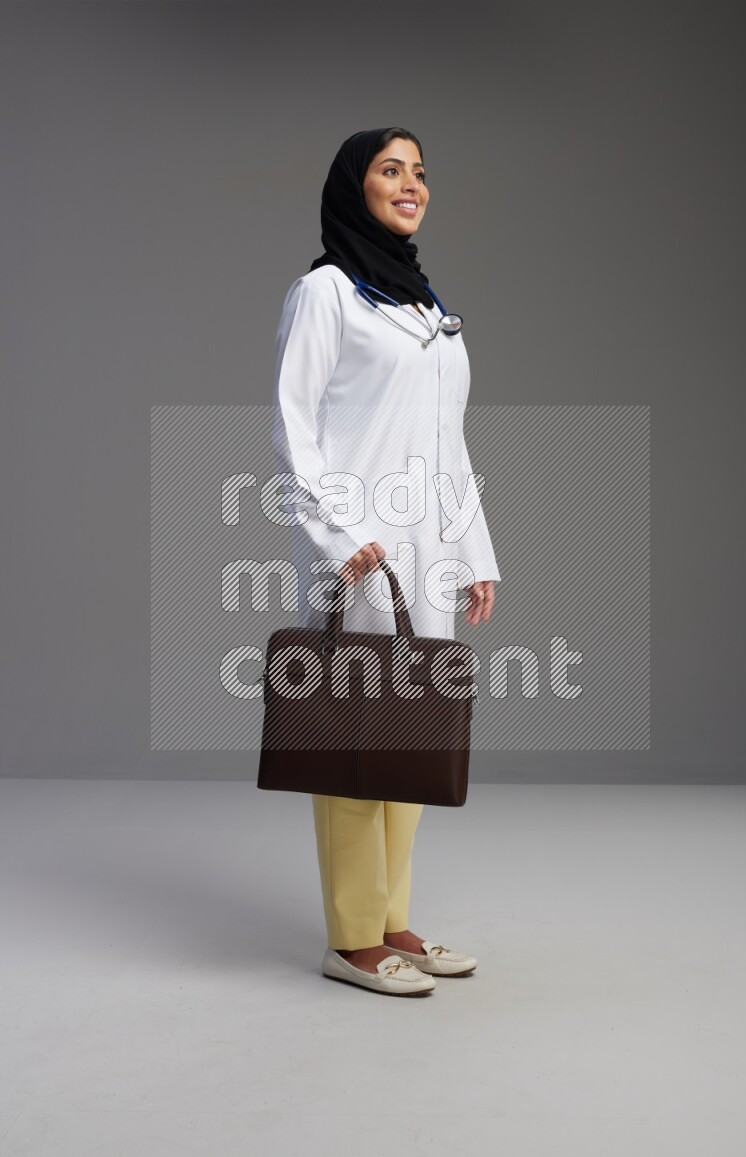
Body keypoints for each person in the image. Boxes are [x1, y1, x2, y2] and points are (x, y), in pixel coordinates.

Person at [270, 127, 501, 996]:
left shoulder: (422, 306)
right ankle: (351, 935)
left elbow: (451, 442)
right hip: (361, 550)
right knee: (353, 734)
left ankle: (392, 920)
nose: (411, 185)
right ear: (354, 187)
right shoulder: (327, 292)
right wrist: (338, 538)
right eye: (390, 171)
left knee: (409, 734)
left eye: (419, 174)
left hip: (430, 552)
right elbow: (293, 425)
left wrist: (476, 551)